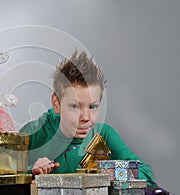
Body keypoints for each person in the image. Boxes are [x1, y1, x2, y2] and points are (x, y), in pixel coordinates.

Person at [19, 49, 157, 187]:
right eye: (75, 106)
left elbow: (147, 175)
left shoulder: (104, 135)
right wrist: (32, 171)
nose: (85, 117)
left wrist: (108, 171)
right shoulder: (33, 132)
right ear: (57, 104)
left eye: (92, 107)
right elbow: (0, 178)